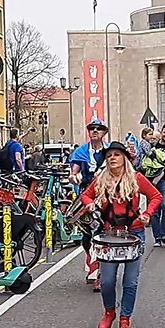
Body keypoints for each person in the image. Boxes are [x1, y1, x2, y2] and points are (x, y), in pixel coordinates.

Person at [80, 141, 161, 328]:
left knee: (130, 281)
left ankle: (125, 318)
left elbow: (156, 196)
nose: (113, 158)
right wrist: (90, 204)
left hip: (134, 233)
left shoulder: (136, 178)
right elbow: (85, 195)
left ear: (124, 158)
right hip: (109, 235)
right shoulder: (101, 179)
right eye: (109, 156)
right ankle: (109, 313)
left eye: (117, 155)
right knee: (107, 281)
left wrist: (148, 214)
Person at [71, 119, 110, 290]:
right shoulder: (81, 152)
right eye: (92, 128)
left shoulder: (110, 151)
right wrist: (74, 177)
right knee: (87, 235)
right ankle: (91, 257)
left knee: (102, 232)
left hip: (106, 196)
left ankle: (99, 272)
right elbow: (74, 171)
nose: (95, 131)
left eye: (98, 129)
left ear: (104, 132)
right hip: (86, 195)